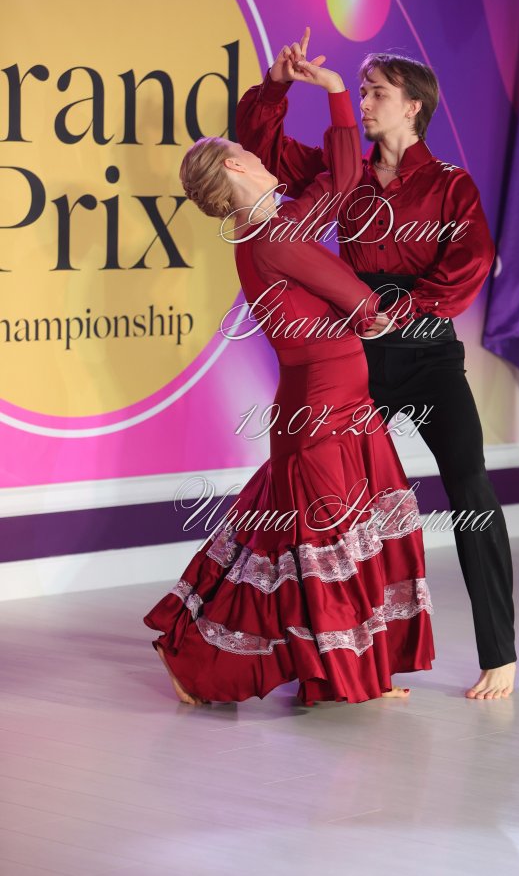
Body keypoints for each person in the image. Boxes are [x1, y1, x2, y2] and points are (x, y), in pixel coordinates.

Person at [144, 57, 435, 707]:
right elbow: (359, 302)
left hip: (334, 406)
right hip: (323, 412)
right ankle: (212, 664)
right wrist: (375, 312)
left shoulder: (269, 229)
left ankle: (353, 670)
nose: (263, 153)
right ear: (238, 167)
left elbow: (342, 180)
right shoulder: (273, 236)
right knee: (319, 548)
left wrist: (321, 90)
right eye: (251, 151)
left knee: (303, 545)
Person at [236, 29, 517, 700]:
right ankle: (339, 661)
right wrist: (277, 85)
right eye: (360, 92)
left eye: (377, 93)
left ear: (413, 105)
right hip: (357, 359)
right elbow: (262, 151)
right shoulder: (343, 173)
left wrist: (409, 306)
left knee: (472, 490)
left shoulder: (450, 185)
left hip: (429, 358)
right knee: (336, 505)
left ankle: (500, 653)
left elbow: (473, 259)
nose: (363, 103)